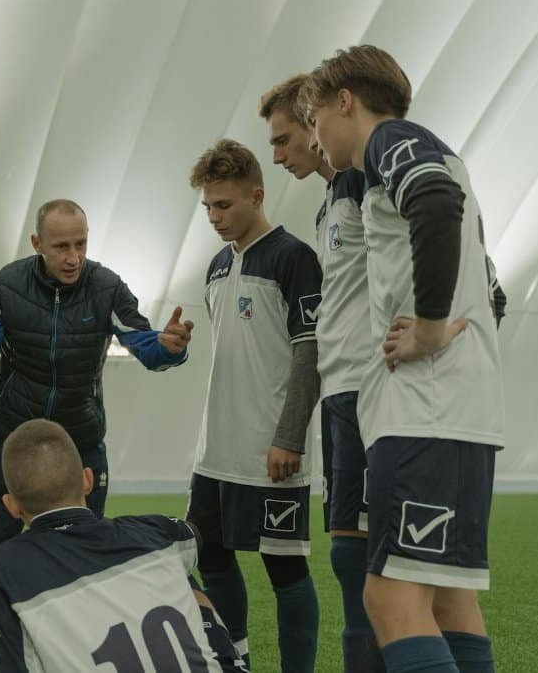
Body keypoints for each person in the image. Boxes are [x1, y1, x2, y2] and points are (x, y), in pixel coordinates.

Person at [302, 44, 503, 673]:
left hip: (427, 412)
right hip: (454, 411)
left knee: (388, 599)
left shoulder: (395, 139)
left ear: (345, 101)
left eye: (314, 118)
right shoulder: (411, 158)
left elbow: (436, 203)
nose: (314, 135)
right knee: (446, 602)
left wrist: (432, 328)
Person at [0, 198, 194, 672]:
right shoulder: (7, 286)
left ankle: (79, 656)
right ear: (37, 245)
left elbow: (146, 346)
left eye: (80, 244)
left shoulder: (106, 285)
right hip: (15, 445)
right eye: (61, 246)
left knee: (89, 549)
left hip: (82, 444)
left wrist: (170, 347)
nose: (73, 256)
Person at [186, 139, 323, 672]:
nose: (215, 217)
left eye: (224, 205)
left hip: (271, 451)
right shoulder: (218, 266)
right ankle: (234, 661)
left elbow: (310, 354)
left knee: (284, 570)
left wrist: (289, 437)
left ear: (257, 195)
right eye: (207, 208)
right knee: (212, 558)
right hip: (214, 452)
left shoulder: (294, 259)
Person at [261, 74, 381, 672]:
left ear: (317, 123)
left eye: (284, 140)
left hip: (369, 394)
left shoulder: (366, 182)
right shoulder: (328, 203)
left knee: (365, 562)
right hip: (341, 396)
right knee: (351, 556)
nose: (278, 155)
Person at [0, 419, 248, 673]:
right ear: (87, 480)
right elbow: (193, 537)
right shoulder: (157, 533)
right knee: (180, 569)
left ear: (11, 506)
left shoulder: (6, 566)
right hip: (153, 545)